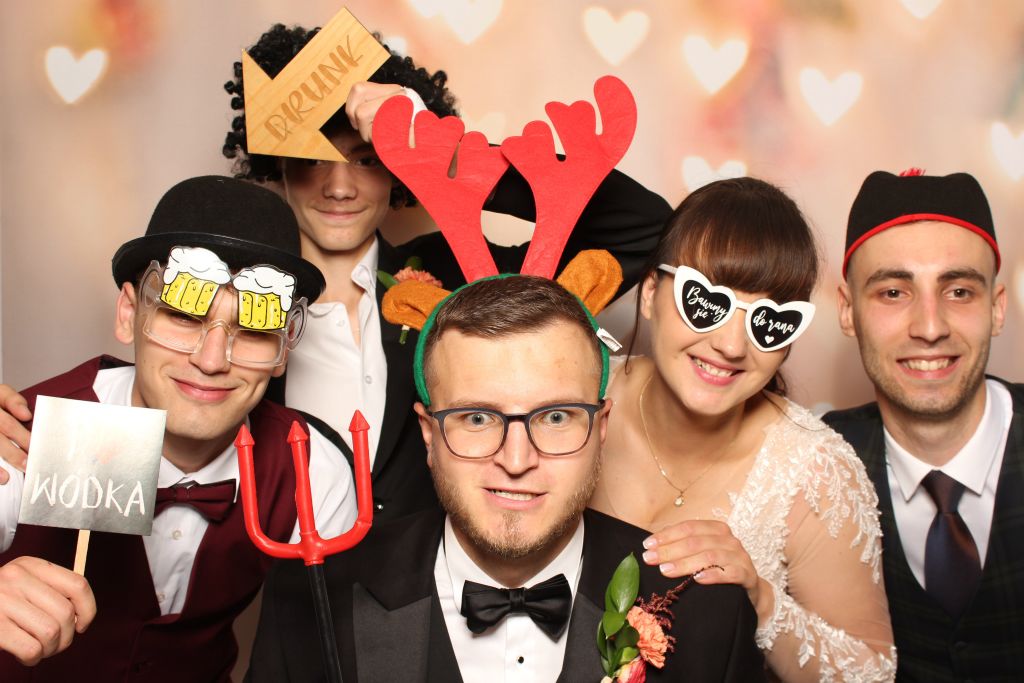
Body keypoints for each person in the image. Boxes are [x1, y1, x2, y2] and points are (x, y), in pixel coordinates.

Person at [219, 23, 672, 520]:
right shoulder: (235, 301)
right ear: (276, 163)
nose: (340, 188)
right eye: (313, 159)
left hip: (437, 570)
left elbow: (647, 228)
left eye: (366, 160)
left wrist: (440, 155)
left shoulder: (463, 271)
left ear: (394, 169)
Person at [246, 275, 766, 682]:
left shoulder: (705, 611)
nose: (517, 460)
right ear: (428, 435)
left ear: (601, 428)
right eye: (477, 418)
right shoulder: (311, 597)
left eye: (556, 417)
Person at [0, 176, 357, 681]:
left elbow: (331, 647)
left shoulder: (311, 466)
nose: (211, 360)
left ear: (284, 348)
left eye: (254, 329)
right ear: (128, 314)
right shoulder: (24, 431)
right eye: (184, 317)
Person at [588, 177, 897, 681]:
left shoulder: (814, 473)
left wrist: (762, 599)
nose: (732, 345)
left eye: (769, 321)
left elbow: (873, 673)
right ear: (650, 293)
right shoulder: (575, 399)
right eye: (705, 302)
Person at [823, 169, 1023, 681]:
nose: (930, 327)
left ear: (997, 308)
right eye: (893, 292)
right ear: (847, 311)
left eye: (959, 291)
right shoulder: (813, 463)